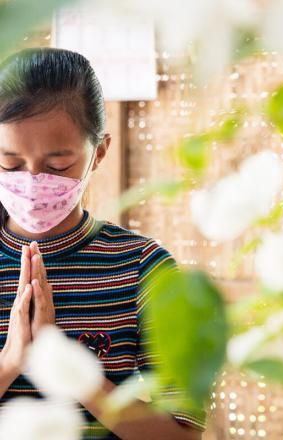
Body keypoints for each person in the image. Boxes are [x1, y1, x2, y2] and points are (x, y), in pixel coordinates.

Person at [0, 47, 206, 439]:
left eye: (57, 166)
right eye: (9, 163)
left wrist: (71, 371)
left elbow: (184, 433)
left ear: (99, 152)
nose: (31, 181)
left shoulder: (145, 268)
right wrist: (11, 361)